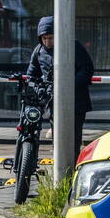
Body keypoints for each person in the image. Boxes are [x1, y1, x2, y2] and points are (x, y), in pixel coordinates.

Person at [25, 16, 94, 163]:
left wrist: (68, 87)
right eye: (44, 38)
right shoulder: (38, 51)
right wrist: (40, 91)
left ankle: (72, 172)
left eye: (51, 37)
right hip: (53, 103)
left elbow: (87, 68)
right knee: (58, 141)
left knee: (73, 140)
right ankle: (61, 171)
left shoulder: (73, 46)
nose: (47, 42)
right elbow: (32, 75)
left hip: (75, 102)